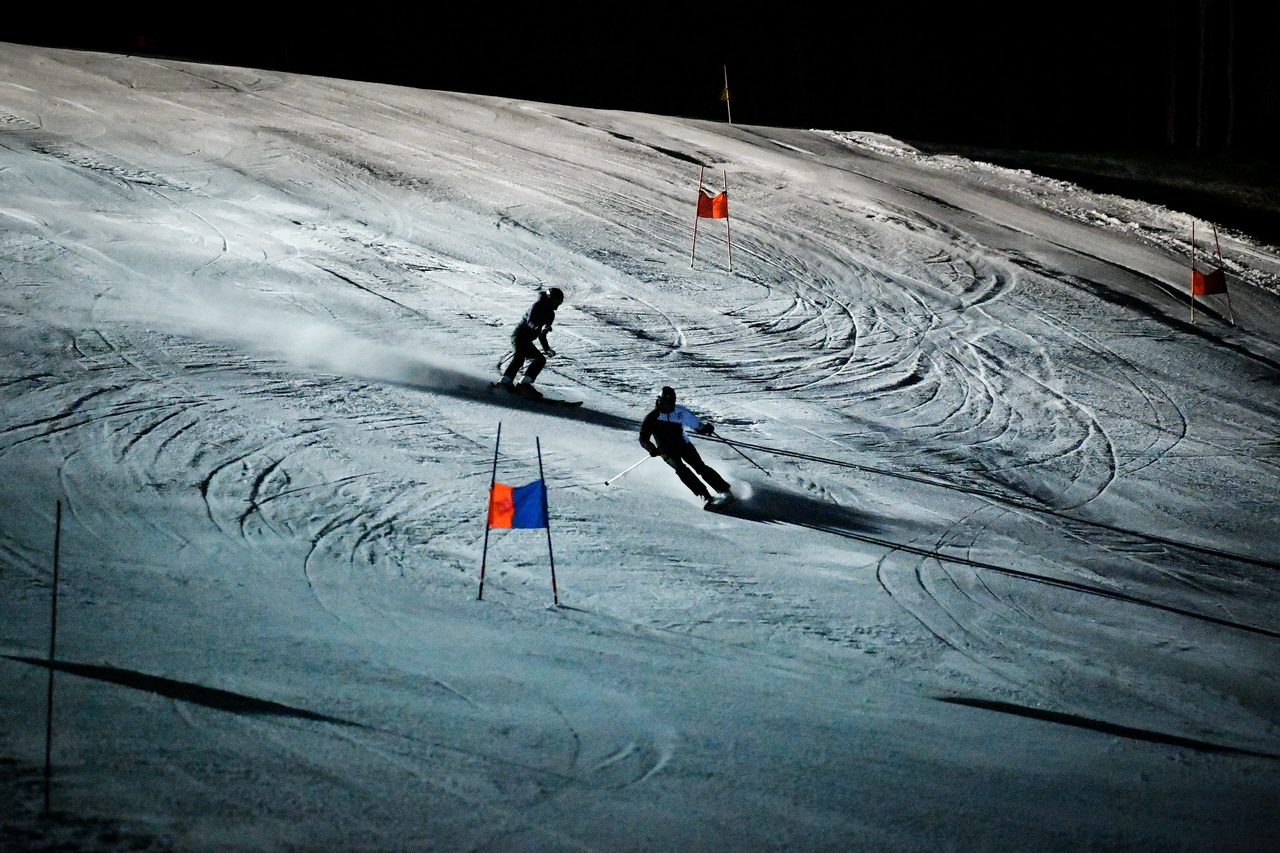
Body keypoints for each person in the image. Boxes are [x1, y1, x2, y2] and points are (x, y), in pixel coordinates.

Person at [639, 386, 733, 506]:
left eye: (671, 403)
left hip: (683, 445)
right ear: (660, 402)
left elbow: (697, 426)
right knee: (681, 470)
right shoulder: (651, 418)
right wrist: (651, 448)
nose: (669, 406)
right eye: (666, 403)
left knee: (700, 467)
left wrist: (705, 429)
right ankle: (704, 495)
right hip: (666, 450)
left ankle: (724, 490)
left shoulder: (680, 412)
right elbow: (643, 438)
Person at [500, 287, 563, 397]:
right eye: (556, 301)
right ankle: (504, 382)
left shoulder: (551, 314)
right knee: (519, 357)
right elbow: (530, 322)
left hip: (527, 341)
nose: (558, 305)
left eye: (560, 302)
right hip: (519, 337)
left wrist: (547, 348)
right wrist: (539, 327)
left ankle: (524, 384)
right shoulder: (537, 306)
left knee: (540, 360)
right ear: (550, 299)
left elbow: (542, 335)